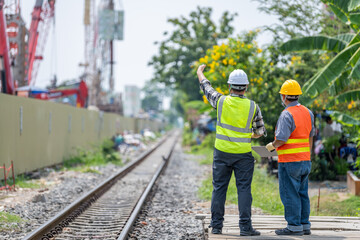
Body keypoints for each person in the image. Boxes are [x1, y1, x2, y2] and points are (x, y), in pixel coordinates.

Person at [197, 64, 266, 236]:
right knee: (243, 189)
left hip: (221, 153)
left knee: (219, 188)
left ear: (230, 86)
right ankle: (245, 228)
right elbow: (260, 132)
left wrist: (200, 73)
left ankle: (217, 226)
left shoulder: (220, 102)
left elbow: (207, 89)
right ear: (246, 87)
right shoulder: (253, 106)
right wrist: (246, 135)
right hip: (243, 155)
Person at [265, 79, 315, 236]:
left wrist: (271, 146)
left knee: (290, 193)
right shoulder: (308, 112)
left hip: (290, 162)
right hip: (305, 160)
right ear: (297, 95)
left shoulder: (286, 114)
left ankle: (293, 226)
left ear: (285, 96)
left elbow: (281, 139)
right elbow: (310, 136)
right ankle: (304, 224)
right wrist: (308, 155)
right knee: (302, 193)